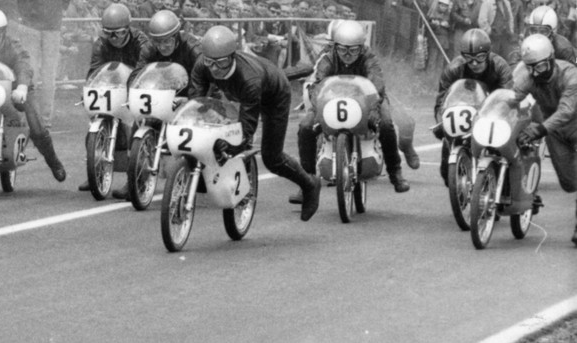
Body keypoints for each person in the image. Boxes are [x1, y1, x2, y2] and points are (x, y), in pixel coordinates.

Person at [189, 25, 322, 221]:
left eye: (221, 63)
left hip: (274, 95)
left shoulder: (250, 80)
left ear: (232, 57)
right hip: (240, 94)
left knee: (272, 158)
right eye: (210, 62)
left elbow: (246, 130)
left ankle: (310, 184)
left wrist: (231, 144)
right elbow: (196, 104)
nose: (214, 68)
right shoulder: (202, 65)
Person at [296, 20, 411, 196]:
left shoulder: (369, 57)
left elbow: (377, 83)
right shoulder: (327, 58)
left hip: (369, 99)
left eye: (353, 50)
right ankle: (307, 181)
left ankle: (395, 173)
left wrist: (374, 108)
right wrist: (317, 109)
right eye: (343, 50)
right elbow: (317, 85)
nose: (348, 55)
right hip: (332, 99)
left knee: (386, 124)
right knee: (305, 127)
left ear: (361, 47)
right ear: (335, 46)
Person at [0, 8, 67, 182]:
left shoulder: (13, 46)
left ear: (3, 32)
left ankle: (54, 162)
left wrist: (22, 87)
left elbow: (23, 64)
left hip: (17, 91)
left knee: (36, 127)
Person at [77, 4, 151, 193]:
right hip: (112, 88)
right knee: (94, 123)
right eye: (109, 33)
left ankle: (136, 179)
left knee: (135, 129)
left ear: (127, 29)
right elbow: (95, 70)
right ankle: (95, 171)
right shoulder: (100, 44)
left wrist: (134, 90)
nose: (113, 38)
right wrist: (89, 89)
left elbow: (145, 70)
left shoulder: (142, 42)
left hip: (136, 87)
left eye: (118, 33)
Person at [511, 34, 577, 245]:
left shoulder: (571, 75)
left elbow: (566, 111)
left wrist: (539, 129)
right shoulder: (529, 77)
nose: (535, 73)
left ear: (551, 60)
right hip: (555, 132)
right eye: (530, 67)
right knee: (569, 183)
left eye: (539, 67)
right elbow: (510, 98)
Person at [431, 29, 513, 184]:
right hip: (465, 111)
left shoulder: (500, 67)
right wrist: (441, 122)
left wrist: (500, 117)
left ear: (488, 54)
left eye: (480, 57)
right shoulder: (453, 69)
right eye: (469, 58)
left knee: (502, 152)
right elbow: (441, 101)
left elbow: (508, 98)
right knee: (446, 172)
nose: (474, 63)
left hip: (493, 112)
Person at [14, 0, 73, 127]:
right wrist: (29, 14)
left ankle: (45, 118)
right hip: (30, 28)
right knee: (30, 73)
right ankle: (27, 116)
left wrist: (57, 13)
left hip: (52, 29)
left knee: (49, 75)